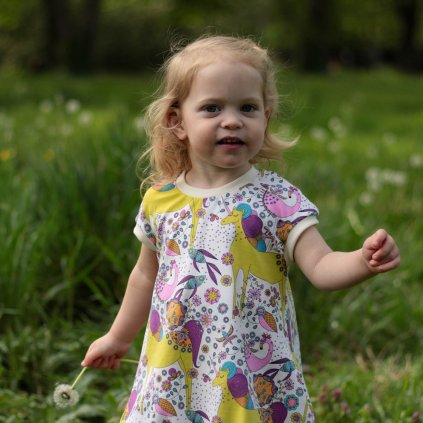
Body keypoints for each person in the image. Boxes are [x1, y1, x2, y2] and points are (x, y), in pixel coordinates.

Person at [81, 35, 400, 422]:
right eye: (212, 108)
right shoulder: (161, 201)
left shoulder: (276, 199)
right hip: (175, 369)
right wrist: (117, 337)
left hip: (250, 371)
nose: (232, 120)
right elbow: (145, 276)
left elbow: (321, 265)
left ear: (266, 117)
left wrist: (362, 261)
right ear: (177, 121)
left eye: (247, 108)